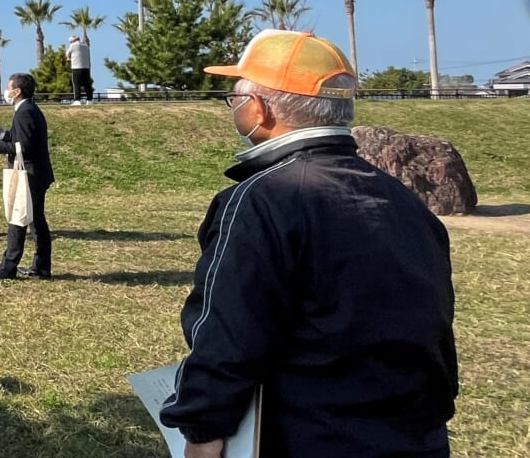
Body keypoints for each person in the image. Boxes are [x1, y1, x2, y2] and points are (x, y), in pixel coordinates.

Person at [161, 30, 458, 457]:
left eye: (234, 99)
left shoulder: (260, 200)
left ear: (258, 108)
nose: (234, 108)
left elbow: (229, 333)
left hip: (310, 435)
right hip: (416, 435)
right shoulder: (401, 198)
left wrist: (202, 427)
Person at [0, 73, 53, 280]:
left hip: (29, 175)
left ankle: (8, 267)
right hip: (37, 173)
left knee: (18, 220)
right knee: (36, 222)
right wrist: (1, 133)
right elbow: (20, 139)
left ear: (17, 91)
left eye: (9, 87)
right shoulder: (29, 109)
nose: (6, 91)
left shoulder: (24, 112)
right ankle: (41, 267)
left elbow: (23, 148)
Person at [68, 35, 94, 103]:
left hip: (76, 67)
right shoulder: (86, 45)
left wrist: (69, 58)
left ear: (73, 41)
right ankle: (89, 100)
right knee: (87, 85)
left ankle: (77, 100)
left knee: (76, 84)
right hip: (86, 67)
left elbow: (67, 54)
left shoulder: (73, 45)